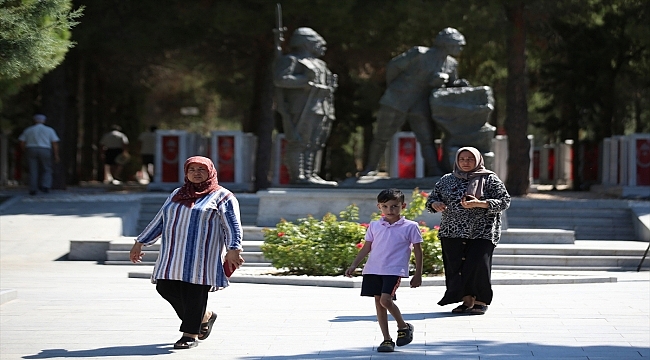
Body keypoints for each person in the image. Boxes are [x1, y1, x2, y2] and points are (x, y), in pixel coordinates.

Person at [129, 156, 245, 350]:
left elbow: (232, 225)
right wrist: (140, 242)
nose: (196, 173)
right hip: (173, 254)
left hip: (202, 257)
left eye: (201, 169)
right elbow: (161, 219)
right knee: (165, 287)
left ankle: (189, 335)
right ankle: (204, 316)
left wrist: (234, 249)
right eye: (192, 169)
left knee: (194, 294)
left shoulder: (223, 196)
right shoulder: (177, 193)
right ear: (186, 172)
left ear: (210, 172)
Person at [361, 27, 470, 177]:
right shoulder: (419, 53)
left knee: (426, 138)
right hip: (396, 99)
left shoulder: (451, 64)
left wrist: (456, 84)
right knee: (382, 136)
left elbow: (450, 84)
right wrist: (395, 87)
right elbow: (394, 66)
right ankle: (370, 168)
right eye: (457, 44)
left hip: (420, 102)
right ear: (446, 44)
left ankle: (434, 170)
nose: (460, 48)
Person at [425, 147, 510, 315]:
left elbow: (504, 201)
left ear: (478, 160)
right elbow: (432, 199)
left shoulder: (490, 179)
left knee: (478, 265)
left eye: (470, 159)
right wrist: (435, 204)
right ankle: (466, 300)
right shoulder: (447, 179)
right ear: (457, 160)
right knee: (457, 267)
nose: (466, 162)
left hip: (482, 231)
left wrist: (480, 203)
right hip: (452, 231)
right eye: (462, 159)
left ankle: (481, 300)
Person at [345, 188, 423, 353]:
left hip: (394, 270)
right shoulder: (374, 225)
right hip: (373, 269)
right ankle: (386, 340)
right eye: (385, 206)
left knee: (385, 301)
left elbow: (418, 250)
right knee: (379, 304)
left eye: (394, 206)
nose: (390, 210)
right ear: (379, 207)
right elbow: (367, 247)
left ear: (403, 206)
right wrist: (354, 265)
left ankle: (404, 326)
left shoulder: (410, 226)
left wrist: (418, 273)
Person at [273, 27, 337, 186]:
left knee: (316, 143)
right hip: (302, 107)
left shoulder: (320, 63)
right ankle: (299, 176)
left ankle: (311, 175)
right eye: (316, 42)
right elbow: (281, 79)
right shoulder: (292, 60)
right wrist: (306, 83)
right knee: (299, 141)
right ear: (306, 43)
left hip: (322, 106)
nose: (320, 46)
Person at [18, 114, 60, 195]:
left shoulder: (28, 130)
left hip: (31, 148)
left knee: (33, 169)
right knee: (47, 168)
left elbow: (22, 141)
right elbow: (54, 142)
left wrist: (25, 150)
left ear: (34, 120)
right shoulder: (49, 130)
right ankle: (45, 186)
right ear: (44, 121)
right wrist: (56, 155)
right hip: (45, 149)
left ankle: (33, 188)